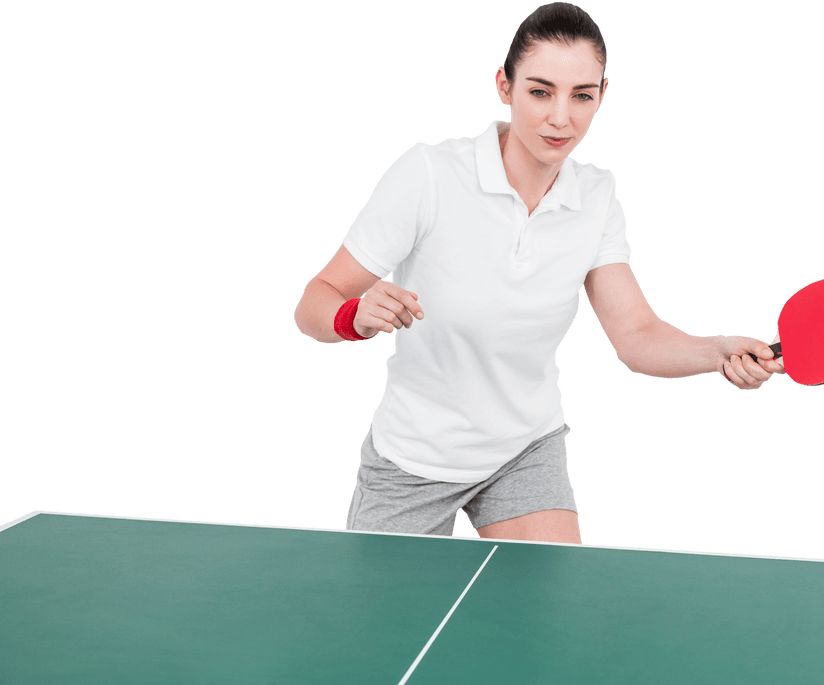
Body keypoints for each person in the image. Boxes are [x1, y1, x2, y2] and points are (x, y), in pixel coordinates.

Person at [293, 1, 783, 544]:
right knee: (385, 605)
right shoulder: (429, 174)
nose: (561, 118)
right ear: (504, 86)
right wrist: (353, 316)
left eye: (582, 96)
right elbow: (314, 302)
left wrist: (718, 351)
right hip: (416, 457)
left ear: (603, 96)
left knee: (551, 598)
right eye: (541, 91)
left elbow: (638, 337)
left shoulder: (596, 196)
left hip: (523, 451)